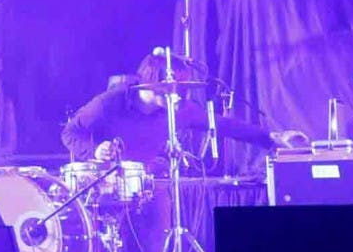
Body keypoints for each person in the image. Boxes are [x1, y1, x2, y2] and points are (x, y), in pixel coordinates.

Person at [61, 50, 308, 173]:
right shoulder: (108, 103)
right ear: (152, 81)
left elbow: (222, 125)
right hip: (106, 186)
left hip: (149, 186)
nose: (179, 93)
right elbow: (70, 133)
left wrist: (272, 138)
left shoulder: (177, 109)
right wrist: (94, 150)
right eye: (173, 86)